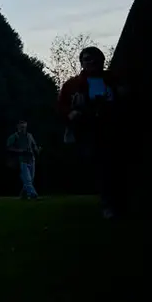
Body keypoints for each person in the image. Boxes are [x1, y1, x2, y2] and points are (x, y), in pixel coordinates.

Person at [57, 46, 127, 219]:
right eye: (87, 59)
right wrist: (71, 113)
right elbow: (61, 106)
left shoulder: (112, 80)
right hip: (89, 130)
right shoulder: (73, 84)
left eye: (95, 59)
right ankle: (108, 204)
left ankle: (115, 202)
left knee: (114, 165)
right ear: (82, 63)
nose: (91, 62)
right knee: (101, 165)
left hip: (113, 126)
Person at [6, 121, 40, 200]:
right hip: (21, 160)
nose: (23, 129)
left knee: (30, 179)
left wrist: (37, 150)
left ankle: (23, 194)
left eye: (24, 127)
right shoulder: (14, 136)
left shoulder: (29, 135)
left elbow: (34, 145)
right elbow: (9, 147)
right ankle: (33, 194)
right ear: (18, 127)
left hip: (31, 159)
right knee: (28, 180)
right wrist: (20, 150)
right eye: (21, 127)